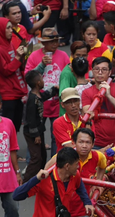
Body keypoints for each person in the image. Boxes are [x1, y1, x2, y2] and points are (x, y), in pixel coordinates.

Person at [25, 27, 70, 157]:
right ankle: (32, 166)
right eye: (52, 41)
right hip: (39, 104)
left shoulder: (63, 55)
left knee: (57, 136)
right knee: (36, 137)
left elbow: (68, 73)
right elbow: (28, 76)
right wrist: (41, 65)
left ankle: (56, 164)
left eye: (56, 41)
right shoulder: (34, 55)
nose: (55, 44)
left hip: (58, 104)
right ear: (44, 42)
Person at [82, 57, 115, 149]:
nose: (100, 72)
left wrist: (109, 96)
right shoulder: (86, 92)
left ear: (110, 72)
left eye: (104, 69)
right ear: (92, 71)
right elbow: (87, 113)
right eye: (97, 69)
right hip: (97, 142)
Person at [23, 71, 58, 182]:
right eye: (42, 79)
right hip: (32, 133)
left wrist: (55, 89)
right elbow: (31, 119)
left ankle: (40, 178)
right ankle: (27, 182)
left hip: (39, 130)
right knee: (36, 157)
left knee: (42, 154)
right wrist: (36, 135)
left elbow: (45, 95)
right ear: (38, 83)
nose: (44, 81)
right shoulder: (32, 99)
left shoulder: (38, 95)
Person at [0, 95, 23, 217]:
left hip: (7, 177)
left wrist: (18, 172)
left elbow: (13, 149)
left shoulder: (8, 124)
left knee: (13, 207)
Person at [0, 18, 27, 133]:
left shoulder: (10, 43)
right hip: (8, 94)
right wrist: (17, 58)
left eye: (11, 27)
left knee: (15, 127)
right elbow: (5, 70)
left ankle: (12, 150)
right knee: (7, 129)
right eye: (8, 28)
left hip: (18, 91)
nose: (11, 30)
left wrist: (22, 57)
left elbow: (16, 66)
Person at [54, 88, 94, 152]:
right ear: (62, 105)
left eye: (75, 101)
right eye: (69, 103)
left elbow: (89, 142)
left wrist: (88, 123)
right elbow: (69, 147)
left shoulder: (87, 120)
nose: (73, 105)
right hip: (67, 159)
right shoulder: (58, 123)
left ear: (79, 101)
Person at [59, 40, 90, 116]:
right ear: (72, 55)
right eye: (78, 55)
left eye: (84, 56)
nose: (81, 59)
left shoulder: (82, 68)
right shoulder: (67, 73)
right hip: (69, 116)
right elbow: (63, 95)